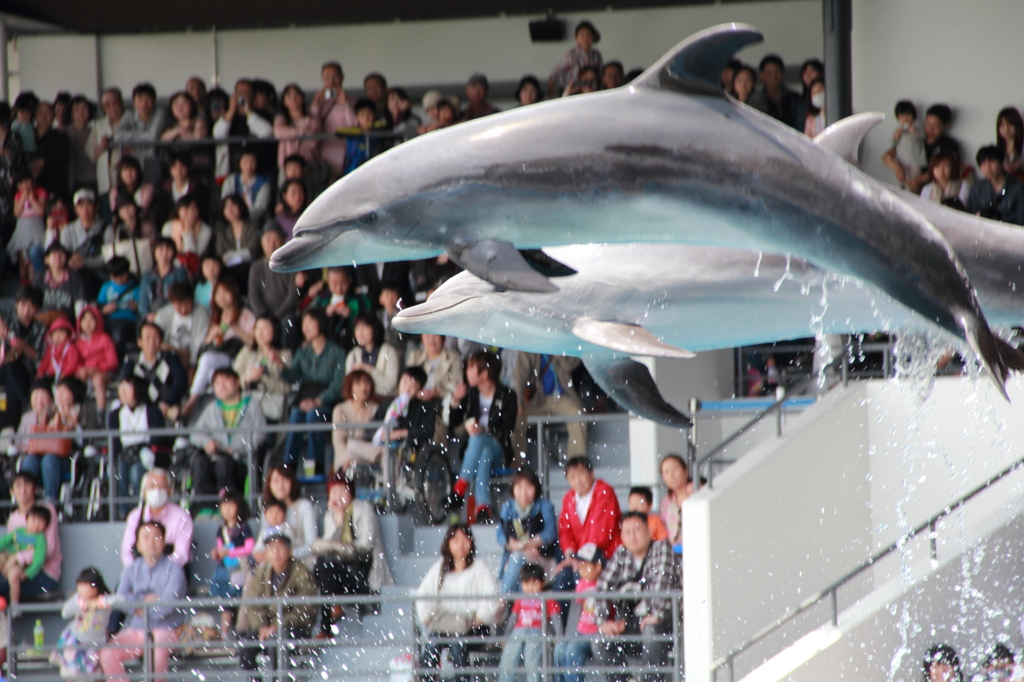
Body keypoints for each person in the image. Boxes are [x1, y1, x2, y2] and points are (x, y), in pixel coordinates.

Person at [593, 512, 680, 682]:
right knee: (600, 640)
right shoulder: (621, 553)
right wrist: (604, 621)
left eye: (637, 530)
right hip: (632, 623)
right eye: (627, 532)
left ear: (649, 531)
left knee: (651, 630)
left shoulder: (661, 548)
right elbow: (602, 588)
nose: (632, 536)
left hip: (665, 622)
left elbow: (661, 586)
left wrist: (656, 614)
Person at [99, 521, 186, 682]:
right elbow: (121, 599)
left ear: (163, 542)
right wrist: (145, 602)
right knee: (107, 653)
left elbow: (168, 604)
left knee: (156, 648)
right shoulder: (131, 569)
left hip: (166, 629)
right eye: (146, 537)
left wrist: (139, 607)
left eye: (156, 537)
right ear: (138, 545)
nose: (151, 542)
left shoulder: (175, 570)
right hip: (137, 630)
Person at [415, 524, 502, 682]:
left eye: (465, 539)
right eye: (455, 540)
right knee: (434, 640)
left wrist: (477, 620)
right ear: (448, 543)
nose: (460, 544)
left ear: (471, 543)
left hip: (474, 628)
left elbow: (492, 597)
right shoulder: (440, 568)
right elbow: (423, 594)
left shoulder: (480, 567)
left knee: (457, 641)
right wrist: (426, 618)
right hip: (445, 624)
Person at [311, 475, 394, 636]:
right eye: (333, 493)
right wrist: (338, 521)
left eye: (342, 491)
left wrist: (341, 548)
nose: (338, 496)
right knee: (321, 564)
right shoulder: (331, 515)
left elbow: (366, 545)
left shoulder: (364, 508)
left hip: (362, 573)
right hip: (341, 574)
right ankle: (333, 609)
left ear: (351, 492)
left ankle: (328, 621)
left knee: (325, 563)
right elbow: (325, 548)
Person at [448, 351, 518, 523]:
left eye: (471, 368)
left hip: (499, 450)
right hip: (479, 452)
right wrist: (456, 401)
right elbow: (453, 422)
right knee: (484, 452)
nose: (466, 372)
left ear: (484, 373)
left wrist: (485, 428)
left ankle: (459, 489)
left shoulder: (508, 396)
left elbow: (508, 428)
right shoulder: (470, 394)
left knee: (481, 441)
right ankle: (483, 508)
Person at [237, 532, 317, 679]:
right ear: (266, 553)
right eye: (271, 549)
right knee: (245, 646)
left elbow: (306, 610)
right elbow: (254, 607)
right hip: (267, 630)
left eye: (280, 548)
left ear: (289, 551)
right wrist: (262, 627)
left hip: (294, 628)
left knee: (277, 640)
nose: (276, 553)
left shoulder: (301, 573)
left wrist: (278, 625)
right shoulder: (261, 573)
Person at [281, 308, 347, 471]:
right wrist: (280, 366)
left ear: (321, 324)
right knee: (296, 414)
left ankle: (315, 465)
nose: (305, 328)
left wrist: (318, 401)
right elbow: (293, 376)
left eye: (310, 323)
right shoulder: (303, 352)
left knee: (314, 414)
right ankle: (288, 465)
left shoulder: (337, 352)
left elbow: (338, 385)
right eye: (304, 325)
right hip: (306, 397)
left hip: (328, 401)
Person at [181, 277, 255, 417]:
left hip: (236, 358)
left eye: (225, 292)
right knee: (209, 371)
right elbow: (203, 348)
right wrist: (211, 337)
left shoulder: (245, 314)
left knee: (208, 360)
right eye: (217, 293)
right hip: (217, 361)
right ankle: (215, 415)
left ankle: (192, 402)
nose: (221, 297)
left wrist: (234, 326)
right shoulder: (215, 317)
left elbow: (253, 343)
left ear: (233, 293)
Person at [189, 367, 266, 500]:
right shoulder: (212, 408)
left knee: (225, 463)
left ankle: (227, 504)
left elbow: (260, 435)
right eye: (217, 383)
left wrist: (236, 448)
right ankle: (204, 508)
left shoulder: (252, 405)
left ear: (237, 382)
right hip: (215, 458)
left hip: (241, 460)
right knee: (200, 463)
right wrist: (207, 442)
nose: (221, 386)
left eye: (226, 381)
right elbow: (195, 434)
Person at [555, 456, 621, 591]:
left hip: (605, 555)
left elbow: (600, 533)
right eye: (572, 477)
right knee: (561, 581)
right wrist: (570, 554)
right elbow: (565, 531)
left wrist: (580, 560)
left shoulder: (604, 491)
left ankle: (591, 611)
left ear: (592, 474)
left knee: (582, 579)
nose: (577, 480)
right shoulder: (568, 498)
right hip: (580, 558)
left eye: (581, 474)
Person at [513, 352, 587, 461]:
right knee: (516, 419)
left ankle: (576, 465)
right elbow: (519, 377)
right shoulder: (528, 345)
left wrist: (555, 350)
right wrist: (518, 404)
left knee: (578, 415)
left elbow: (570, 365)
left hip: (562, 397)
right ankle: (518, 463)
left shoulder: (562, 343)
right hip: (538, 400)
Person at [497, 469, 559, 593]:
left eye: (529, 487)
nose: (523, 492)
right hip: (517, 559)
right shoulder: (508, 507)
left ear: (536, 488)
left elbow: (550, 533)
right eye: (519, 487)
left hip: (541, 557)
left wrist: (523, 545)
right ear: (513, 489)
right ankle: (512, 605)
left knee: (519, 562)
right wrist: (520, 547)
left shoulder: (545, 506)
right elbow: (500, 534)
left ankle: (502, 601)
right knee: (518, 560)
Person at [1, 471, 62, 600]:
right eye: (18, 485)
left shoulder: (46, 510)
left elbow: (48, 551)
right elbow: (10, 546)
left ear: (35, 489)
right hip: (16, 570)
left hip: (44, 575)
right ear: (12, 491)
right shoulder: (13, 517)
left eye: (27, 485)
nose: (23, 490)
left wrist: (18, 557)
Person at [497, 562, 561, 682]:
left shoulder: (547, 598)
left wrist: (559, 636)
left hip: (537, 631)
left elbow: (556, 618)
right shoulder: (521, 598)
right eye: (526, 583)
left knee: (532, 659)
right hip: (518, 631)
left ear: (542, 583)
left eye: (535, 583)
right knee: (508, 658)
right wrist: (506, 636)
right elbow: (513, 618)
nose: (530, 587)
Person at [120, 469, 192, 567]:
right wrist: (137, 572)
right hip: (138, 574)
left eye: (161, 487)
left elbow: (181, 554)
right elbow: (126, 552)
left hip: (171, 573)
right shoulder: (135, 516)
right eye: (152, 486)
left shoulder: (182, 517)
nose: (157, 491)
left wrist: (158, 572)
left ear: (169, 491)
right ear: (144, 491)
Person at [553, 543, 603, 682]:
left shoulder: (605, 582)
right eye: (580, 567)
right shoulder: (582, 583)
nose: (581, 570)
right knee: (559, 649)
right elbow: (579, 597)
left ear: (598, 566)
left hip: (595, 632)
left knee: (572, 650)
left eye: (585, 566)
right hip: (581, 630)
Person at [51, 567, 111, 680]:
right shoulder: (78, 600)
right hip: (76, 642)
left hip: (94, 644)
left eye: (84, 585)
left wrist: (96, 603)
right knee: (71, 674)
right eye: (79, 585)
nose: (80, 588)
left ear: (95, 587)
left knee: (93, 674)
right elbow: (65, 612)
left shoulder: (104, 601)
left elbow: (120, 600)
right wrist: (79, 602)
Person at [209, 489, 253, 639]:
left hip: (239, 569)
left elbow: (249, 548)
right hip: (225, 570)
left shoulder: (244, 528)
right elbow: (220, 549)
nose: (227, 509)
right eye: (224, 505)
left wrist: (231, 552)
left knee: (241, 601)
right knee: (226, 603)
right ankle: (225, 634)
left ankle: (242, 632)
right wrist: (217, 554)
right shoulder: (221, 529)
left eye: (231, 505)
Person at [0, 286, 46, 428]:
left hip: (26, 371)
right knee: (9, 364)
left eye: (31, 307)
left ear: (37, 309)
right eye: (23, 305)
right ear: (16, 304)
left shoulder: (40, 327)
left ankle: (12, 426)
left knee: (11, 379)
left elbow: (37, 355)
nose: (26, 311)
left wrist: (24, 346)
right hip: (3, 367)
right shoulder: (8, 318)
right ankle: (26, 403)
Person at [119, 321, 188, 415]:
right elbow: (125, 383)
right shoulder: (131, 361)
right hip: (140, 408)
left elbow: (181, 381)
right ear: (139, 342)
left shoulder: (170, 357)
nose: (152, 342)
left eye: (155, 337)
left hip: (165, 407)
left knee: (176, 412)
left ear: (161, 341)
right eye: (147, 338)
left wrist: (167, 402)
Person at [233, 314, 294, 422]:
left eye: (265, 328)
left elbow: (287, 387)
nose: (260, 333)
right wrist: (247, 379)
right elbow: (233, 380)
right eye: (257, 328)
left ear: (275, 330)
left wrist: (263, 378)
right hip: (247, 407)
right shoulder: (247, 352)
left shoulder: (285, 355)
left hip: (271, 408)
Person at [248, 226, 301, 345]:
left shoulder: (291, 265)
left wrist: (277, 316)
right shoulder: (256, 267)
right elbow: (254, 296)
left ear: (283, 241)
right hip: (263, 313)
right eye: (267, 239)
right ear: (261, 242)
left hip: (284, 313)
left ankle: (287, 356)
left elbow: (293, 295)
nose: (272, 244)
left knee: (289, 322)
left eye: (276, 239)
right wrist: (263, 315)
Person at [257, 464, 318, 565]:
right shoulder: (267, 509)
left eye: (285, 479)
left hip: (300, 563)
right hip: (273, 564)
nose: (280, 485)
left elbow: (312, 545)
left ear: (292, 482)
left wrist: (289, 554)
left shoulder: (304, 506)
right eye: (276, 481)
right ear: (269, 485)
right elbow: (263, 541)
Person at [311, 62, 358, 179]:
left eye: (335, 77)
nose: (331, 81)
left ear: (342, 78)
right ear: (322, 79)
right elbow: (312, 125)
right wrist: (316, 102)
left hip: (345, 152)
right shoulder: (320, 102)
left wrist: (345, 104)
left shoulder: (353, 101)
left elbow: (355, 124)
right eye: (327, 77)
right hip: (324, 153)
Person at [330, 369, 381, 474]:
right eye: (358, 383)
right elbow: (338, 442)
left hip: (369, 455)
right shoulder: (340, 409)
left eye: (367, 382)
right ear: (350, 386)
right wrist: (348, 458)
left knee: (353, 445)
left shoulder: (377, 409)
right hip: (347, 456)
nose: (363, 387)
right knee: (351, 445)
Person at [309, 265, 371, 349]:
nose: (338, 289)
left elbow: (370, 322)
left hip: (353, 345)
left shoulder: (360, 300)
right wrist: (325, 313)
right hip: (326, 347)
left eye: (343, 284)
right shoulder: (322, 299)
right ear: (328, 281)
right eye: (334, 284)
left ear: (349, 280)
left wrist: (352, 315)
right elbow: (311, 321)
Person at [115, 83, 166, 183]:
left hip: (155, 161)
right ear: (134, 102)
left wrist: (133, 144)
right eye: (140, 99)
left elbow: (153, 137)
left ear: (154, 101)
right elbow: (117, 136)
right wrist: (144, 136)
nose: (144, 103)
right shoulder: (128, 115)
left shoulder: (160, 113)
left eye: (148, 99)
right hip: (134, 162)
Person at [85, 88, 125, 213]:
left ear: (121, 102)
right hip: (106, 183)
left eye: (115, 102)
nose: (112, 107)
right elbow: (90, 152)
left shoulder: (131, 120)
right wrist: (101, 147)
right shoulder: (99, 125)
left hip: (127, 181)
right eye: (107, 104)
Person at [61, 188, 109, 292]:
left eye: (89, 204)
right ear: (76, 210)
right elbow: (64, 255)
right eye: (81, 206)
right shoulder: (68, 230)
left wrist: (84, 262)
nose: (85, 209)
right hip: (75, 275)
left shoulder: (106, 228)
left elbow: (107, 258)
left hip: (100, 276)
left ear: (96, 206)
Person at [0, 505, 49, 604]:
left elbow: (38, 561)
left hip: (21, 564)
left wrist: (27, 574)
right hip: (7, 555)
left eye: (41, 522)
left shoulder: (40, 539)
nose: (36, 524)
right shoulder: (18, 531)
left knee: (14, 577)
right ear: (27, 519)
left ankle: (14, 605)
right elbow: (4, 542)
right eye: (34, 519)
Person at [406, 333, 463, 413]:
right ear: (421, 338)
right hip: (415, 406)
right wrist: (417, 393)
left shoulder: (453, 358)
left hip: (441, 409)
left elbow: (456, 387)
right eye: (427, 336)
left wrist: (436, 393)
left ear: (442, 337)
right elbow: (407, 383)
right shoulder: (415, 356)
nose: (431, 340)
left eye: (435, 335)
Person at [967, 146, 1024, 225]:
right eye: (983, 164)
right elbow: (972, 218)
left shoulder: (1017, 188)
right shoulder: (977, 189)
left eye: (992, 162)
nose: (988, 168)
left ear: (1001, 163)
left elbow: (1021, 221)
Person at [274, 83, 321, 180]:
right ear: (284, 101)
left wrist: (290, 133)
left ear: (302, 98)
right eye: (289, 96)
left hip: (308, 164)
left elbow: (313, 142)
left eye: (296, 95)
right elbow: (278, 133)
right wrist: (301, 131)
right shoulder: (281, 119)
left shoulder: (311, 120)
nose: (293, 98)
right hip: (285, 166)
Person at [345, 314, 400, 396]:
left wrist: (368, 369)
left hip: (384, 400)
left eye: (364, 327)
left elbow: (390, 386)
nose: (360, 332)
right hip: (361, 402)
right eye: (357, 328)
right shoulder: (353, 355)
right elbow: (350, 386)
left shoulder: (389, 351)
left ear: (375, 329)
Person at [214, 194, 262, 283]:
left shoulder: (252, 226)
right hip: (230, 271)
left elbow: (253, 250)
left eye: (233, 205)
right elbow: (221, 255)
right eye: (226, 207)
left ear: (240, 206)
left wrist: (230, 256)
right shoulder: (222, 232)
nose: (230, 209)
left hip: (250, 267)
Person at [548, 20, 603, 98]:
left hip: (591, 91)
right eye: (582, 36)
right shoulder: (571, 54)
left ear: (593, 37)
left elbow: (601, 73)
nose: (586, 39)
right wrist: (551, 85)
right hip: (572, 91)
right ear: (576, 38)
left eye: (589, 35)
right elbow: (557, 70)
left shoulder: (596, 55)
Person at [139, 238, 190, 321]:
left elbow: (181, 297)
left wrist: (161, 315)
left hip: (172, 316)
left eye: (168, 249)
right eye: (160, 248)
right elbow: (143, 300)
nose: (164, 252)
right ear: (154, 251)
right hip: (151, 317)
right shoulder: (147, 276)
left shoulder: (179, 273)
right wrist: (147, 315)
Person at [162, 194, 212, 275]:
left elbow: (193, 256)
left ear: (198, 211)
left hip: (192, 271)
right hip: (170, 268)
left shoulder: (205, 230)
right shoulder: (168, 226)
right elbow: (166, 253)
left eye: (192, 208)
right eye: (185, 208)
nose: (188, 212)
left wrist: (188, 231)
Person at [34, 242, 85, 321]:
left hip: (66, 320)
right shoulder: (40, 277)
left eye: (61, 254)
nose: (58, 257)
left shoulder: (74, 276)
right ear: (46, 260)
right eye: (54, 254)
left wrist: (78, 323)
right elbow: (34, 303)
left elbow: (79, 302)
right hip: (44, 318)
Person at [747, 55, 799, 129]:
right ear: (762, 75)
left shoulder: (795, 99)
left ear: (783, 73)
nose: (773, 76)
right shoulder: (755, 101)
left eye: (777, 71)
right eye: (769, 73)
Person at [222, 149, 271, 226]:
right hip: (233, 221)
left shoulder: (263, 183)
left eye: (252, 162)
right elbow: (226, 202)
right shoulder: (231, 181)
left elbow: (260, 208)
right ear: (239, 163)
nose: (249, 165)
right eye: (245, 162)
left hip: (256, 222)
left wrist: (242, 217)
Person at [658, 454, 690, 561]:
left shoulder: (697, 494)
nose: (671, 475)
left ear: (686, 471)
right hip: (673, 553)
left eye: (675, 469)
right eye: (666, 472)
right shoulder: (665, 502)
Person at [340, 99, 384, 176]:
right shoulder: (352, 136)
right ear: (357, 117)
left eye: (369, 114)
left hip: (373, 173)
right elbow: (349, 158)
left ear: (374, 115)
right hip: (353, 173)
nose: (366, 118)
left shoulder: (379, 136)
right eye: (362, 115)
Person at [36, 316, 83, 382]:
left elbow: (73, 362)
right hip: (52, 375)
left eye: (61, 332)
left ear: (68, 334)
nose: (58, 335)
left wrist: (66, 373)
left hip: (66, 375)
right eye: (55, 333)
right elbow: (45, 361)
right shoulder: (51, 349)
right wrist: (40, 371)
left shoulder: (70, 347)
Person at [996, 107, 1024, 177]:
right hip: (1008, 185)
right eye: (1002, 125)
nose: (1006, 129)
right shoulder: (999, 148)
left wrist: (1018, 165)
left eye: (1010, 124)